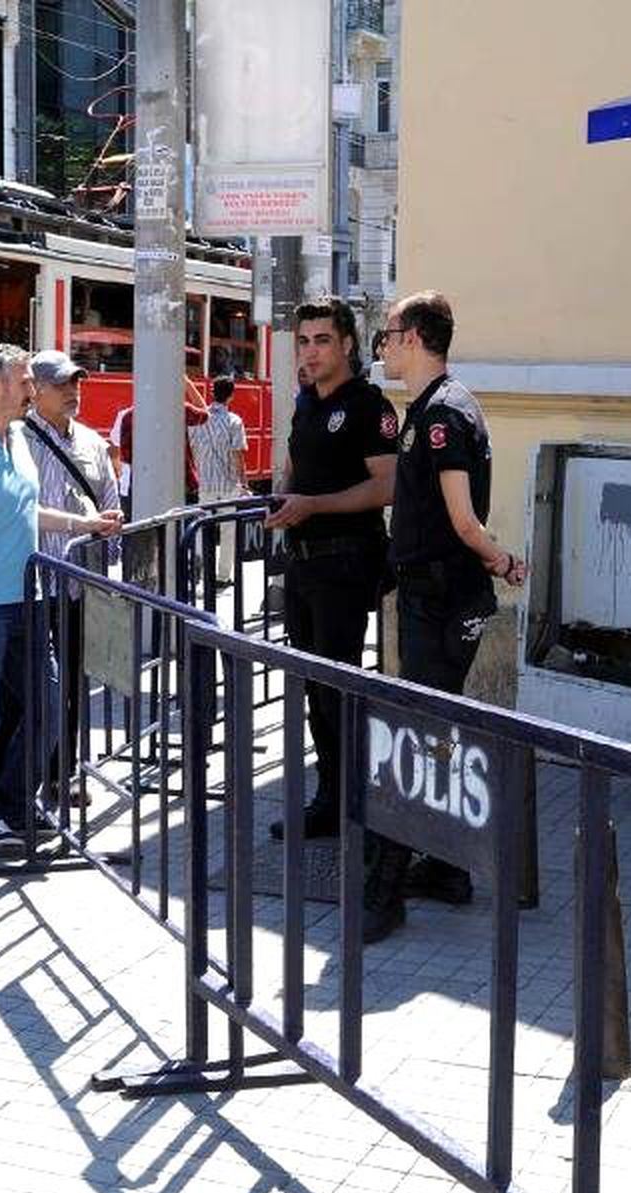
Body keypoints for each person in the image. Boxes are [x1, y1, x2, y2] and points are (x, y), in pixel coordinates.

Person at [364, 291, 526, 944]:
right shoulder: (429, 409)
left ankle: (386, 889)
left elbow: (462, 519)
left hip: (442, 599)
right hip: (431, 595)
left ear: (415, 337)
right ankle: (450, 869)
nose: (385, 345)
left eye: (389, 333)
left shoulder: (444, 415)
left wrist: (502, 560)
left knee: (418, 737)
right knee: (435, 730)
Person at [0, 343, 119, 853]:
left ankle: (15, 804)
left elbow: (26, 513)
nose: (32, 390)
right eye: (25, 381)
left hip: (30, 601)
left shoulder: (16, 440)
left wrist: (85, 523)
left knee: (49, 706)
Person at [265, 297, 399, 842]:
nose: (311, 351)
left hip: (346, 563)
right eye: (303, 341)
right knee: (313, 687)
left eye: (322, 340)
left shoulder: (370, 405)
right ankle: (332, 794)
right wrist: (282, 493)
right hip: (301, 565)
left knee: (336, 685)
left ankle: (349, 801)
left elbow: (388, 486)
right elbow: (296, 464)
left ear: (347, 344)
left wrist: (313, 506)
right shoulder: (307, 402)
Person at [24, 350, 122, 798]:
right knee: (35, 686)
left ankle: (63, 773)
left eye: (76, 383)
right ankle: (30, 776)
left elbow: (110, 501)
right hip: (29, 586)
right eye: (62, 384)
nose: (72, 391)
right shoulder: (16, 440)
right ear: (36, 390)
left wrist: (111, 533)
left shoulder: (91, 442)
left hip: (79, 585)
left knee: (72, 685)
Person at [108, 378, 210, 515]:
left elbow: (126, 457)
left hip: (143, 486)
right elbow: (205, 415)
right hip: (180, 483)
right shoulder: (180, 409)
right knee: (182, 530)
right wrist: (187, 383)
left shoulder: (129, 416)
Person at [187, 375, 250, 584]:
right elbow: (238, 455)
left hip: (205, 483)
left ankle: (199, 572)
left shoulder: (198, 419)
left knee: (200, 529)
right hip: (229, 484)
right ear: (231, 396)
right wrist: (245, 483)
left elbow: (192, 447)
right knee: (228, 531)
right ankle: (223, 576)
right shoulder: (234, 421)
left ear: (213, 392)